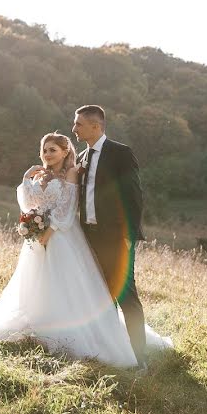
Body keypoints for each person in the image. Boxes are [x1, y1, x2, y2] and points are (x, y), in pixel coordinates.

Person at [0, 132, 170, 368]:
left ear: (65, 152)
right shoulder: (41, 175)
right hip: (38, 239)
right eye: (45, 150)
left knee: (65, 285)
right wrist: (27, 181)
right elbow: (29, 204)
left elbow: (67, 209)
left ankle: (77, 335)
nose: (47, 154)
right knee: (36, 283)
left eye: (53, 150)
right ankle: (38, 326)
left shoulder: (72, 172)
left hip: (62, 237)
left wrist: (47, 232)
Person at [72, 104, 149, 367]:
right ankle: (113, 353)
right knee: (100, 296)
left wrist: (130, 236)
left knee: (126, 295)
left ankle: (141, 359)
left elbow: (134, 196)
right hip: (88, 238)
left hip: (117, 238)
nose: (74, 129)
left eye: (78, 124)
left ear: (96, 126)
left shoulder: (120, 153)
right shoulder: (81, 158)